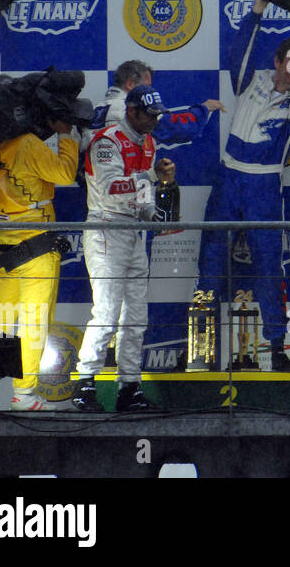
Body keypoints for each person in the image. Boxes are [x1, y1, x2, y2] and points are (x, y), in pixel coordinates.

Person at [194, 0, 290, 371]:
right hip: (228, 178)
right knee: (210, 261)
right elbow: (237, 51)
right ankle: (200, 347)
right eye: (286, 63)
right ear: (276, 60)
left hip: (263, 186)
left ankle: (276, 348)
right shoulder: (251, 78)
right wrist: (257, 5)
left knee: (269, 265)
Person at [0, 104, 81, 410]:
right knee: (34, 323)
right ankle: (23, 396)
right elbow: (65, 173)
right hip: (36, 251)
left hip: (4, 253)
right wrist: (66, 136)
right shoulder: (27, 145)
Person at [72, 85, 176, 413]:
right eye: (149, 115)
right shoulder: (108, 141)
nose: (154, 121)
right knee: (105, 312)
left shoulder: (147, 143)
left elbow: (140, 191)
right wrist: (148, 177)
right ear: (131, 111)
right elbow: (111, 189)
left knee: (136, 315)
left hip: (133, 232)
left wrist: (151, 213)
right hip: (106, 228)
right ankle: (85, 383)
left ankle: (129, 387)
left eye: (157, 115)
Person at [83, 59, 223, 147]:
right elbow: (177, 129)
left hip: (95, 189)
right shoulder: (135, 111)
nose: (149, 90)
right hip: (128, 187)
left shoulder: (93, 110)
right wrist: (203, 109)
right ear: (130, 84)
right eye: (147, 86)